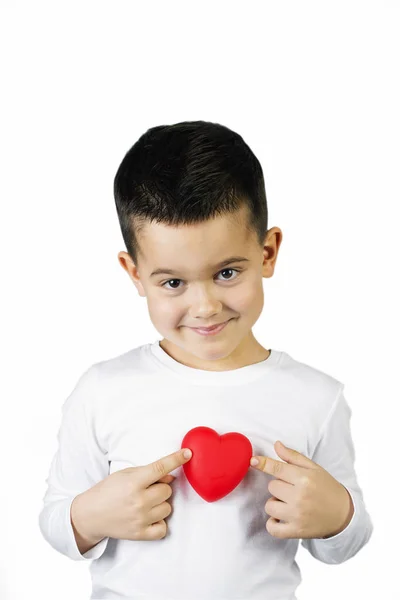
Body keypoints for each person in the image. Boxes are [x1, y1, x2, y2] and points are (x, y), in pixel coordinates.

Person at [38, 120, 373, 599]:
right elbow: (54, 520)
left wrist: (337, 515)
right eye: (173, 282)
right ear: (134, 274)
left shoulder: (317, 397)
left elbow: (347, 542)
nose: (206, 306)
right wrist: (88, 517)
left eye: (228, 272)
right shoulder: (102, 389)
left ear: (268, 252)